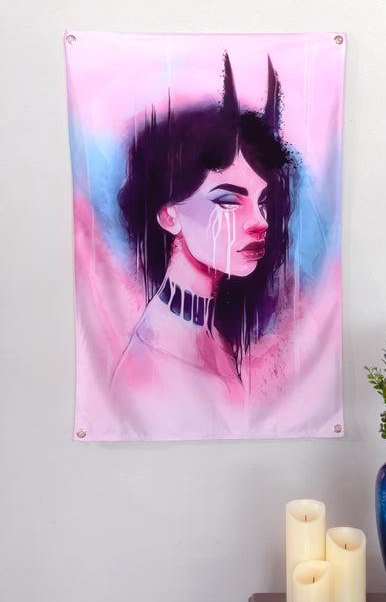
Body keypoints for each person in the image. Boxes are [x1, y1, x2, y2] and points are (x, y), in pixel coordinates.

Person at [110, 54, 297, 438]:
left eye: (262, 201)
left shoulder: (209, 335)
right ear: (169, 215)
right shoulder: (156, 363)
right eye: (228, 201)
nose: (260, 221)